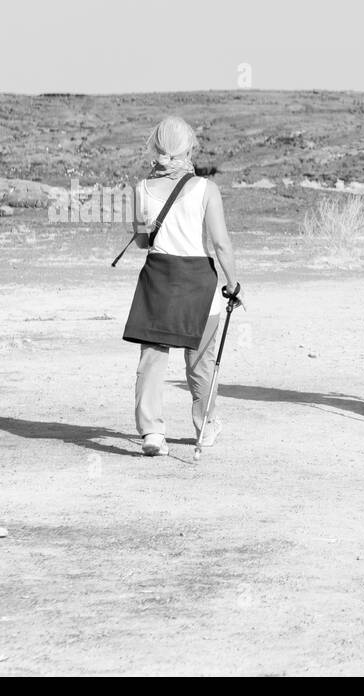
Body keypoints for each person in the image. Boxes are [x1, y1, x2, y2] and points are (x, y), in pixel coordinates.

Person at [122, 116, 240, 456]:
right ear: (188, 148)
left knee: (152, 359)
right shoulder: (206, 189)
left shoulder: (141, 189)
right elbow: (221, 245)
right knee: (200, 361)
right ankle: (204, 427)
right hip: (198, 283)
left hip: (158, 277)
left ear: (156, 147)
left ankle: (152, 433)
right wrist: (234, 284)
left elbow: (143, 242)